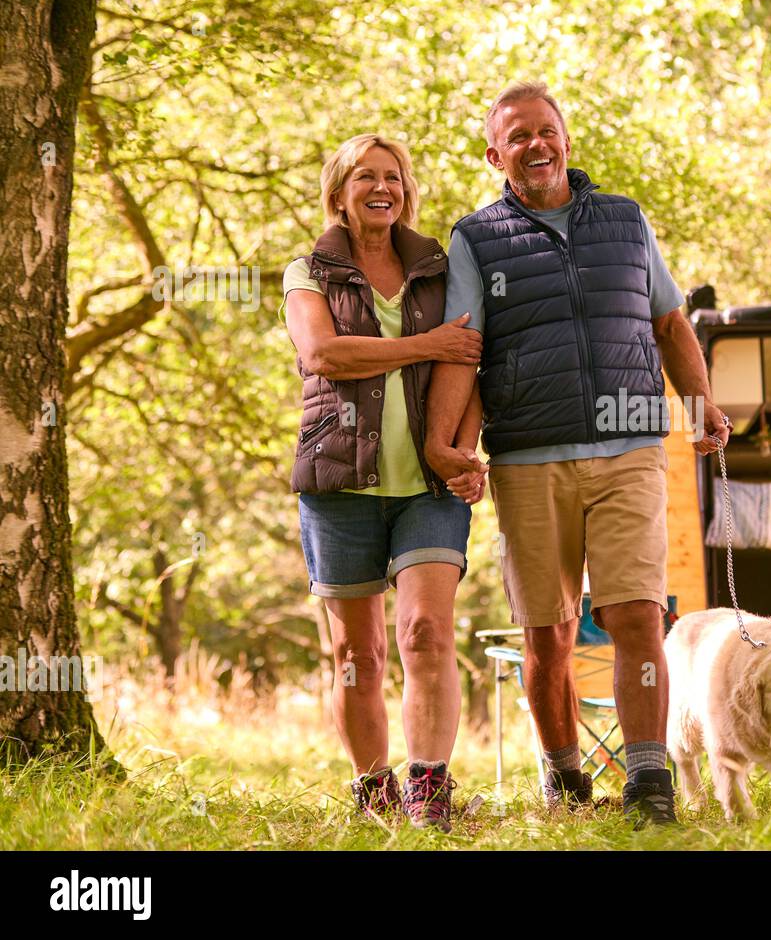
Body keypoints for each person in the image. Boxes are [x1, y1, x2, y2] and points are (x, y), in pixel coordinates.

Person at [425, 82, 729, 827]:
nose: (535, 145)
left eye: (546, 131)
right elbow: (464, 350)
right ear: (495, 154)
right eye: (517, 137)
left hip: (630, 448)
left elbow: (669, 322)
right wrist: (450, 446)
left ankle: (649, 780)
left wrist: (701, 404)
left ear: (566, 139)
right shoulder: (477, 237)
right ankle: (564, 773)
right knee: (548, 631)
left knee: (636, 618)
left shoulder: (626, 221)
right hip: (530, 456)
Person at [281, 133, 485, 831]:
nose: (382, 187)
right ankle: (374, 793)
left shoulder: (440, 266)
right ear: (338, 192)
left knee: (426, 632)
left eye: (393, 177)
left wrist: (459, 449)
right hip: (339, 484)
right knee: (354, 653)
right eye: (365, 176)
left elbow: (473, 361)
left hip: (426, 488)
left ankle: (429, 787)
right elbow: (323, 353)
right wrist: (426, 345)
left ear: (407, 190)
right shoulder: (307, 271)